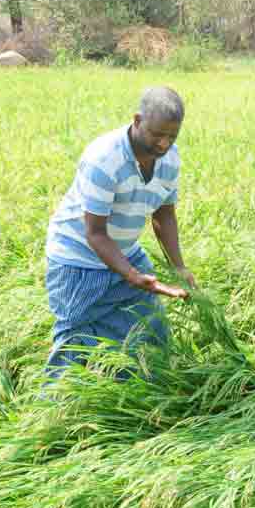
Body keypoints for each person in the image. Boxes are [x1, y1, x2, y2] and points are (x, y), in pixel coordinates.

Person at [43, 86, 198, 378]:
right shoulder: (105, 159)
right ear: (137, 120)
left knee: (150, 330)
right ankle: (53, 412)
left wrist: (179, 267)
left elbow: (164, 215)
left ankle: (137, 398)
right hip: (78, 260)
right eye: (157, 134)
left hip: (124, 252)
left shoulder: (170, 159)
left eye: (172, 136)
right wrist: (131, 275)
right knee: (76, 342)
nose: (164, 143)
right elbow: (95, 233)